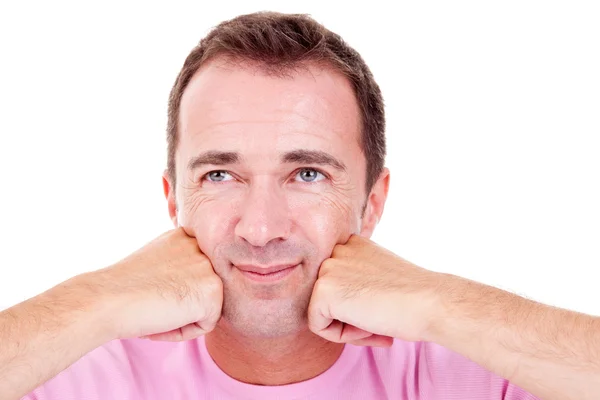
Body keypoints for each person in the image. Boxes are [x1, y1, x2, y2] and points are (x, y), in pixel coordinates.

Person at [1, 11, 598, 400]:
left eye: (307, 173)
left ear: (372, 202)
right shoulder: (72, 369)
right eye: (219, 175)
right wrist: (95, 301)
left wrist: (439, 303)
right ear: (172, 200)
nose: (260, 228)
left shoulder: (478, 365)